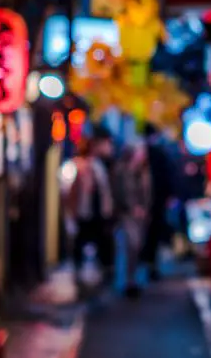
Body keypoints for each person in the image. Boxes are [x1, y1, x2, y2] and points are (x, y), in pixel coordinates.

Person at [65, 127, 115, 284]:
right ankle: (79, 271)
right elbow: (71, 191)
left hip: (97, 211)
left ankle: (103, 270)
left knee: (101, 240)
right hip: (84, 210)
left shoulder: (99, 165)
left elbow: (104, 189)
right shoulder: (78, 166)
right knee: (81, 240)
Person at [112, 142, 152, 297]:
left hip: (140, 215)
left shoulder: (143, 172)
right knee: (130, 245)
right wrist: (132, 207)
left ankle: (134, 279)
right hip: (127, 214)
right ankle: (127, 281)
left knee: (137, 246)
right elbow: (120, 194)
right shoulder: (122, 172)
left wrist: (144, 208)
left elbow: (148, 193)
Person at [141, 124, 177, 281]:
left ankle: (147, 265)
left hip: (147, 202)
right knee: (153, 234)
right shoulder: (158, 153)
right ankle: (151, 266)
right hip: (155, 201)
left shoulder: (145, 154)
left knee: (147, 235)